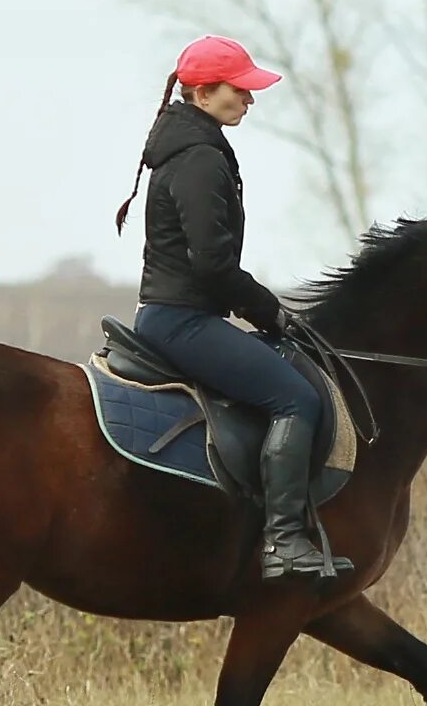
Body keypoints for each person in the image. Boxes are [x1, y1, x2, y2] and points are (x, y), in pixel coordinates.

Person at [114, 35, 351, 581]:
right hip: (182, 321)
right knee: (295, 397)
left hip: (180, 315)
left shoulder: (194, 147)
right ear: (201, 93)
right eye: (239, 90)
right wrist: (273, 314)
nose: (249, 99)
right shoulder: (199, 158)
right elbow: (213, 268)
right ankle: (284, 540)